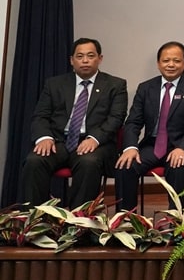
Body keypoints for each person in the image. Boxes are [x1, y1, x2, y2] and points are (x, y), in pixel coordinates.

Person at [21, 38, 128, 208]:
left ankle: (79, 223)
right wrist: (44, 137)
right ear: (72, 60)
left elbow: (116, 118)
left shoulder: (115, 85)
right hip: (59, 142)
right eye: (80, 56)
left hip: (96, 144)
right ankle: (35, 222)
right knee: (34, 161)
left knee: (89, 162)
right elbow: (40, 115)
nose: (85, 61)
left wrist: (94, 139)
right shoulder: (54, 84)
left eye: (90, 56)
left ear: (100, 58)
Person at [116, 42, 184, 211]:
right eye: (166, 60)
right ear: (158, 64)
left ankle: (177, 222)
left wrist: (183, 148)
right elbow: (134, 121)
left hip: (181, 146)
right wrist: (130, 147)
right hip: (153, 144)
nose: (171, 65)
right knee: (126, 165)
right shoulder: (146, 88)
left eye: (176, 61)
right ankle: (125, 221)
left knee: (177, 167)